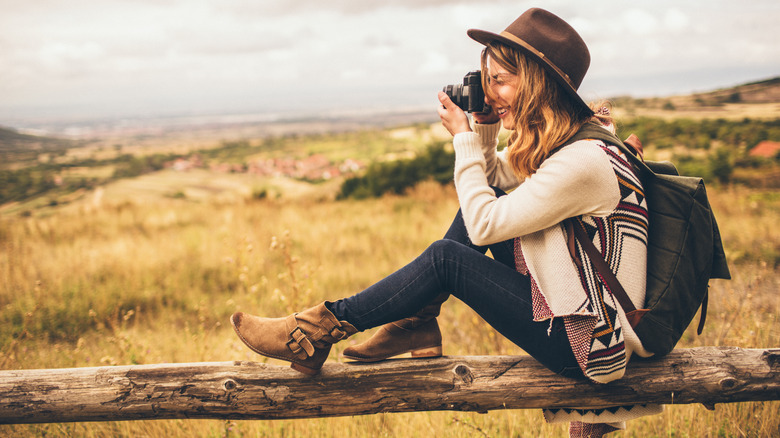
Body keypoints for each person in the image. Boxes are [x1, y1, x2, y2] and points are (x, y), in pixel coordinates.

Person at [231, 8, 662, 437]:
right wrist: (486, 129)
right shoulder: (578, 140)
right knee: (484, 202)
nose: (490, 94)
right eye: (487, 80)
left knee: (446, 259)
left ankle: (314, 331)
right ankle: (413, 325)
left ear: (536, 83)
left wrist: (464, 139)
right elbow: (493, 179)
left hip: (592, 344)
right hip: (588, 315)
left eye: (500, 81)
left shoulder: (582, 162)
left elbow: (483, 227)